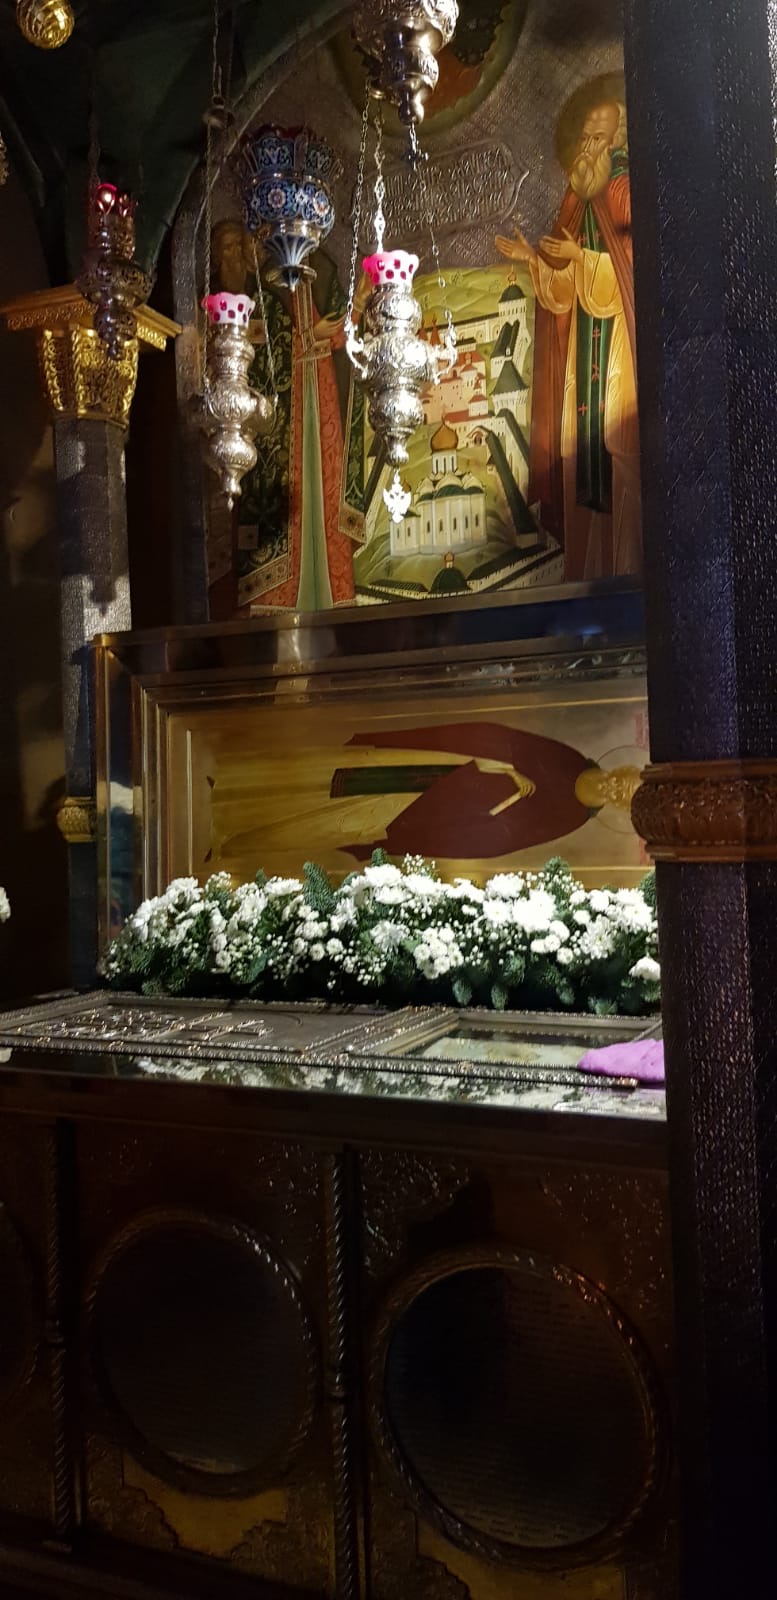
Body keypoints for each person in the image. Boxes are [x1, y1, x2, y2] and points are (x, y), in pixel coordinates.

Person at [496, 99, 640, 580]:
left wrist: (582, 258)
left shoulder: (625, 191)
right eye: (583, 138)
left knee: (620, 454)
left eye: (598, 138)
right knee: (580, 457)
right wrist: (534, 260)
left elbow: (634, 278)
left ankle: (629, 569)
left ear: (617, 141)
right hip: (583, 349)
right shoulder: (576, 200)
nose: (587, 148)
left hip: (619, 347)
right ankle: (587, 570)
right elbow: (562, 294)